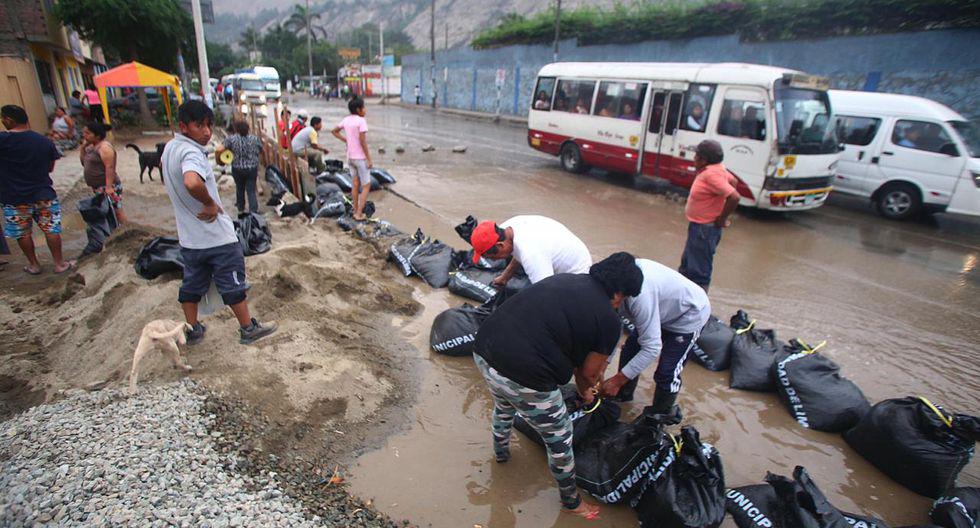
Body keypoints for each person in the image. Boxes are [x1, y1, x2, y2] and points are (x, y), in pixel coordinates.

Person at [472, 264, 642, 519]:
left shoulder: (565, 279)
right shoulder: (609, 319)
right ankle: (571, 502)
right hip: (522, 373)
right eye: (625, 298)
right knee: (561, 437)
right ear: (619, 294)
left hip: (485, 350)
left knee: (504, 404)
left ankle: (500, 454)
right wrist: (587, 393)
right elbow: (588, 373)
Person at [161, 100, 277, 346]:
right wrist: (210, 203)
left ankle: (192, 329)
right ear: (184, 126)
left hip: (190, 239)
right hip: (215, 237)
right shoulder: (191, 152)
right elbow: (192, 182)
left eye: (209, 126)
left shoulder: (170, 148)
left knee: (192, 284)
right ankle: (247, 328)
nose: (206, 132)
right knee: (232, 281)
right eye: (199, 126)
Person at [597, 253, 711, 411]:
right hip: (660, 308)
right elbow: (614, 329)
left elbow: (652, 348)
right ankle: (621, 397)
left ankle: (659, 416)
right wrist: (603, 364)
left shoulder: (640, 297)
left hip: (688, 315)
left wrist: (617, 380)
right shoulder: (611, 283)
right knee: (630, 350)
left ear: (620, 294)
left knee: (667, 371)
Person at [0, 105, 73, 275]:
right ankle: (59, 263)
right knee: (51, 229)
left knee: (23, 232)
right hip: (43, 195)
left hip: (14, 197)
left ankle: (34, 265)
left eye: (3, 118)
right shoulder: (45, 141)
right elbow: (50, 168)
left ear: (9, 120)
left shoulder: (2, 140)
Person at [678, 139, 739, 292]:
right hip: (699, 227)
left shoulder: (711, 175)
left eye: (695, 156)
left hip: (704, 230)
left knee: (698, 272)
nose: (693, 159)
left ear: (703, 160)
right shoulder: (718, 169)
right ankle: (680, 298)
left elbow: (734, 196)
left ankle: (698, 307)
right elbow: (734, 181)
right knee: (687, 266)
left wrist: (722, 218)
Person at [468, 215, 592, 287]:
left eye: (492, 258)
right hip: (567, 249)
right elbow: (517, 253)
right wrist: (505, 277)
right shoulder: (507, 229)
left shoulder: (531, 253)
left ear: (500, 245)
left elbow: (545, 291)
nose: (494, 260)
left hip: (577, 277)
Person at [331, 98, 372, 220]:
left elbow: (334, 131)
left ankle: (355, 210)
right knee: (366, 186)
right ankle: (359, 213)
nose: (365, 110)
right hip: (360, 158)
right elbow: (362, 141)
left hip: (350, 157)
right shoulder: (361, 121)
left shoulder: (346, 120)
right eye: (364, 107)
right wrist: (369, 158)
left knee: (355, 184)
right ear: (358, 109)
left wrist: (346, 140)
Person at [80, 121, 127, 226]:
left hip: (108, 185)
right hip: (98, 186)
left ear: (97, 135)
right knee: (106, 211)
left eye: (88, 133)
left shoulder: (104, 148)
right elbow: (84, 162)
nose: (84, 135)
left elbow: (110, 167)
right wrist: (82, 148)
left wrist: (109, 187)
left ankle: (127, 232)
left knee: (117, 210)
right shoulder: (91, 147)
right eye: (84, 133)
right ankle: (113, 232)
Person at [216, 120, 263, 214]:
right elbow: (261, 149)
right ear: (248, 129)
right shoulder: (254, 139)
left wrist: (219, 161)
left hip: (237, 169)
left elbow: (219, 149)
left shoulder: (231, 139)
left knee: (240, 188)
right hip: (252, 168)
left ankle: (241, 209)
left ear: (236, 129)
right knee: (251, 190)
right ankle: (254, 212)